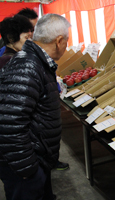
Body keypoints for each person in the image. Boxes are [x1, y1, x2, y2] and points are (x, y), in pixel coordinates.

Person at [0, 13, 71, 200]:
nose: (67, 45)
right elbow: (9, 123)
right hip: (23, 166)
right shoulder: (28, 66)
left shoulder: (36, 61)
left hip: (37, 158)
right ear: (59, 40)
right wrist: (28, 169)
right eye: (67, 41)